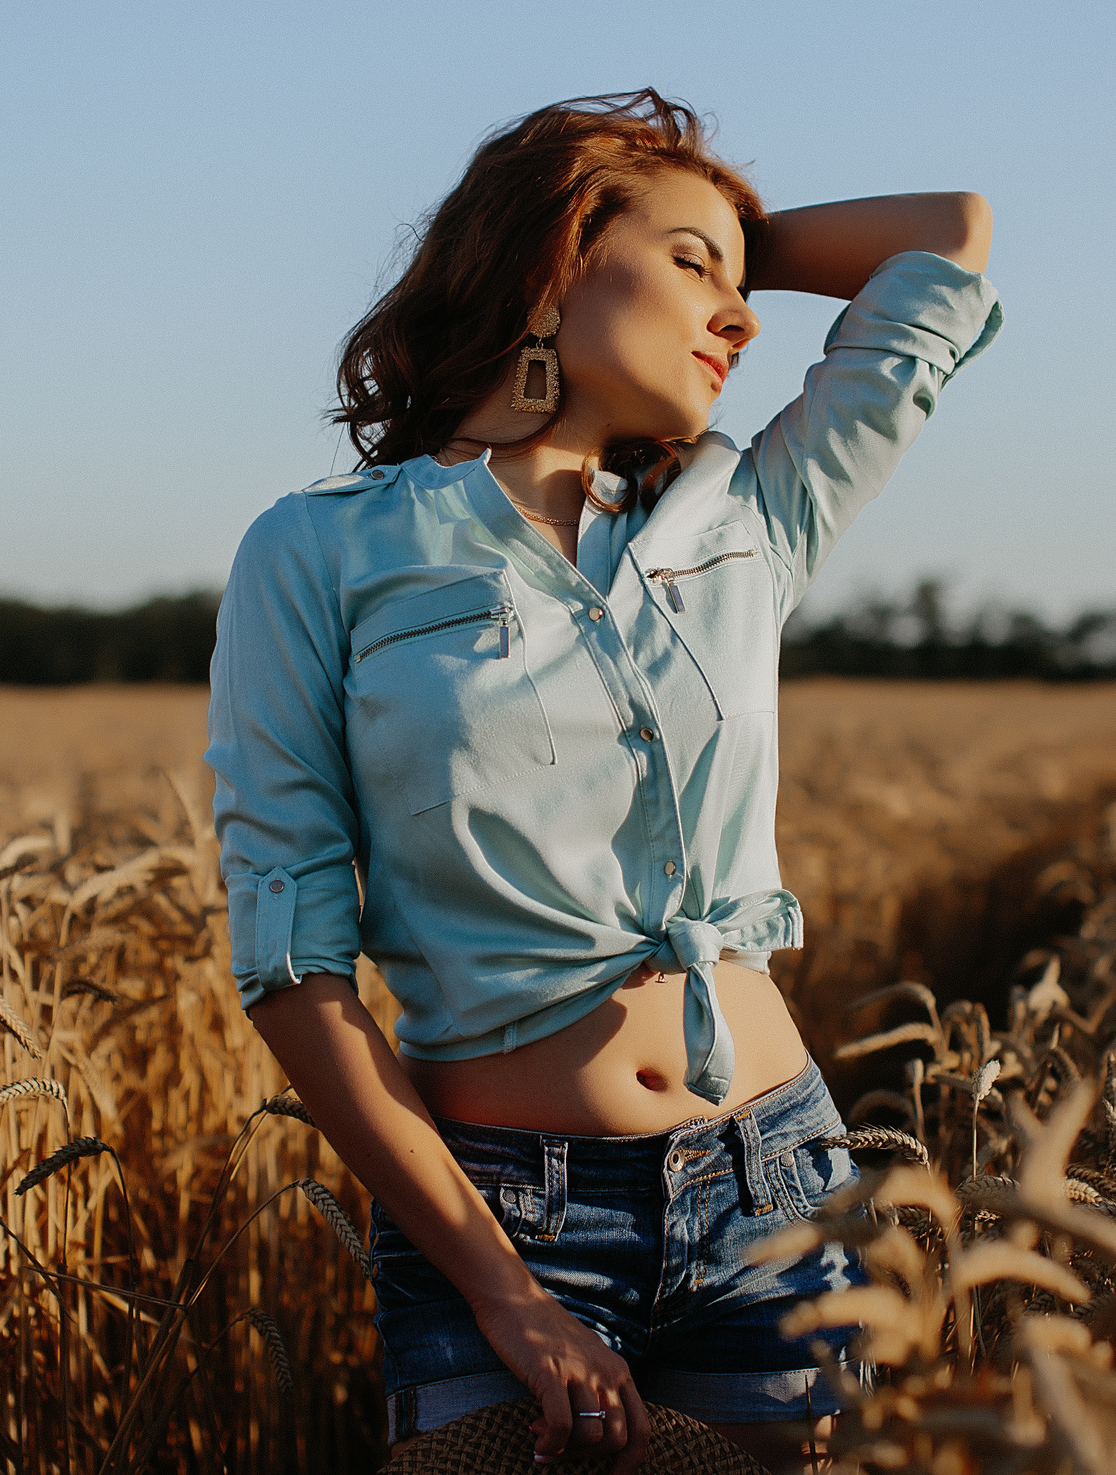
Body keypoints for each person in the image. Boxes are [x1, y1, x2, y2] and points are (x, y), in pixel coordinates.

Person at [207, 91, 999, 1472]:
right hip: (499, 1216)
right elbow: (292, 967)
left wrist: (721, 242)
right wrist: (500, 1287)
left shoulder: (753, 512)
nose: (744, 317)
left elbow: (949, 237)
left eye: (746, 286)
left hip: (779, 1195)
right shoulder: (319, 552)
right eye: (695, 265)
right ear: (554, 259)